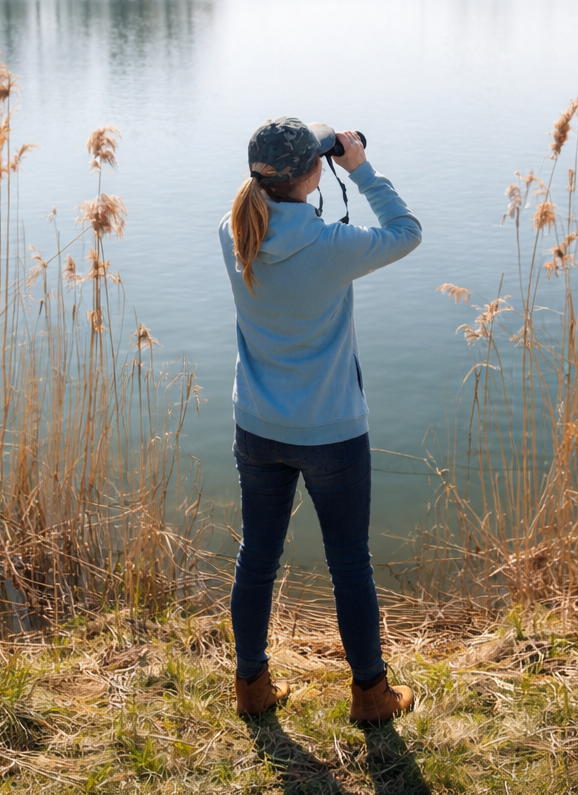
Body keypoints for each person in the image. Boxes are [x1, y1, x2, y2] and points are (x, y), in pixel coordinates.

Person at [218, 116, 422, 723]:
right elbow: (406, 231)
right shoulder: (335, 247)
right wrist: (357, 166)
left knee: (257, 557)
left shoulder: (232, 236)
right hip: (331, 432)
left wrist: (309, 156)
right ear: (314, 173)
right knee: (349, 565)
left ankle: (251, 686)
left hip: (256, 428)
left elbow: (264, 194)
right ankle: (370, 695)